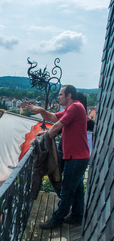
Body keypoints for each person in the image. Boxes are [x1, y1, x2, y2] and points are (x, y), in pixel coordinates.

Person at [26, 85, 90, 228]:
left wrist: (42, 139)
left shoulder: (75, 107)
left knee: (67, 189)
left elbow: (57, 126)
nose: (58, 97)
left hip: (76, 157)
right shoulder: (71, 108)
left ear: (69, 96)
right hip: (77, 156)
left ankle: (57, 219)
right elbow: (52, 117)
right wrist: (41, 111)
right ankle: (77, 217)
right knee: (78, 188)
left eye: (61, 94)